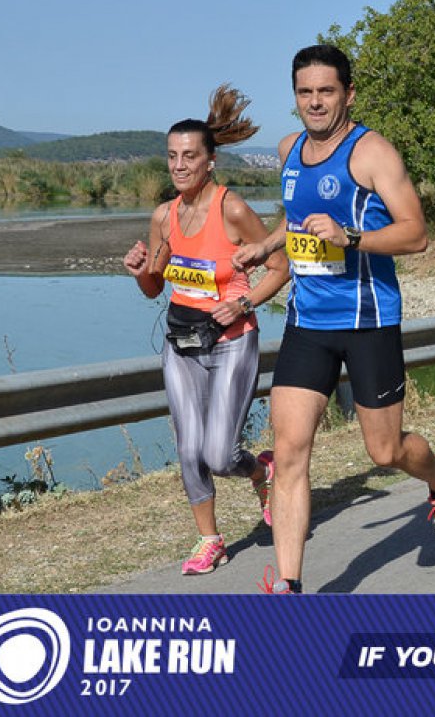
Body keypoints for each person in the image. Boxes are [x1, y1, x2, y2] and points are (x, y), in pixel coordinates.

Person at [233, 44, 435, 594]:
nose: (315, 102)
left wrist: (351, 237)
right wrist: (266, 244)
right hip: (307, 322)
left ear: (349, 94)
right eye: (305, 92)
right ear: (295, 97)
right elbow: (296, 218)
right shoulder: (289, 149)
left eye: (326, 91)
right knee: (290, 451)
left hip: (367, 321)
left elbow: (416, 233)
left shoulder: (372, 153)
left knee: (384, 451)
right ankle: (289, 586)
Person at [123, 85, 289, 575]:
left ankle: (261, 469)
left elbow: (279, 267)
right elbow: (155, 287)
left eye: (189, 156)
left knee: (220, 453)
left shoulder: (231, 209)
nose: (179, 166)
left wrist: (242, 302)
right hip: (181, 343)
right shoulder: (164, 217)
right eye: (172, 156)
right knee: (189, 447)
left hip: (231, 341)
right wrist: (140, 271)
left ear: (210, 161)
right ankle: (209, 540)